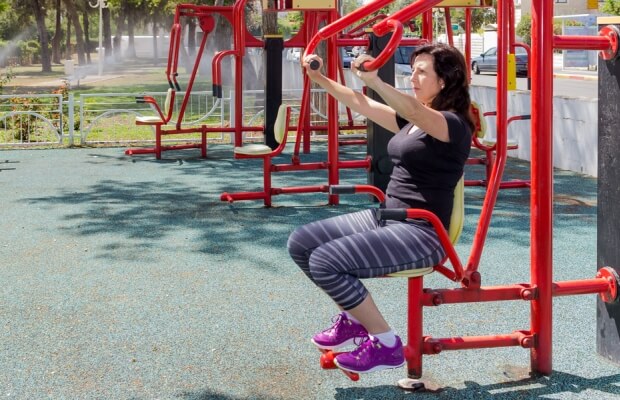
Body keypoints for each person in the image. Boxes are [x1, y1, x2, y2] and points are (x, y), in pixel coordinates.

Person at [287, 43, 475, 374]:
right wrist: (321, 79)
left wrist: (374, 80)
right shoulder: (414, 120)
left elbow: (415, 112)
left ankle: (386, 344)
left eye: (422, 72)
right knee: (302, 243)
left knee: (326, 261)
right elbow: (363, 103)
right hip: (388, 217)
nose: (413, 77)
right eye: (413, 69)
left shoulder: (454, 124)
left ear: (445, 81)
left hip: (421, 231)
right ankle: (352, 320)